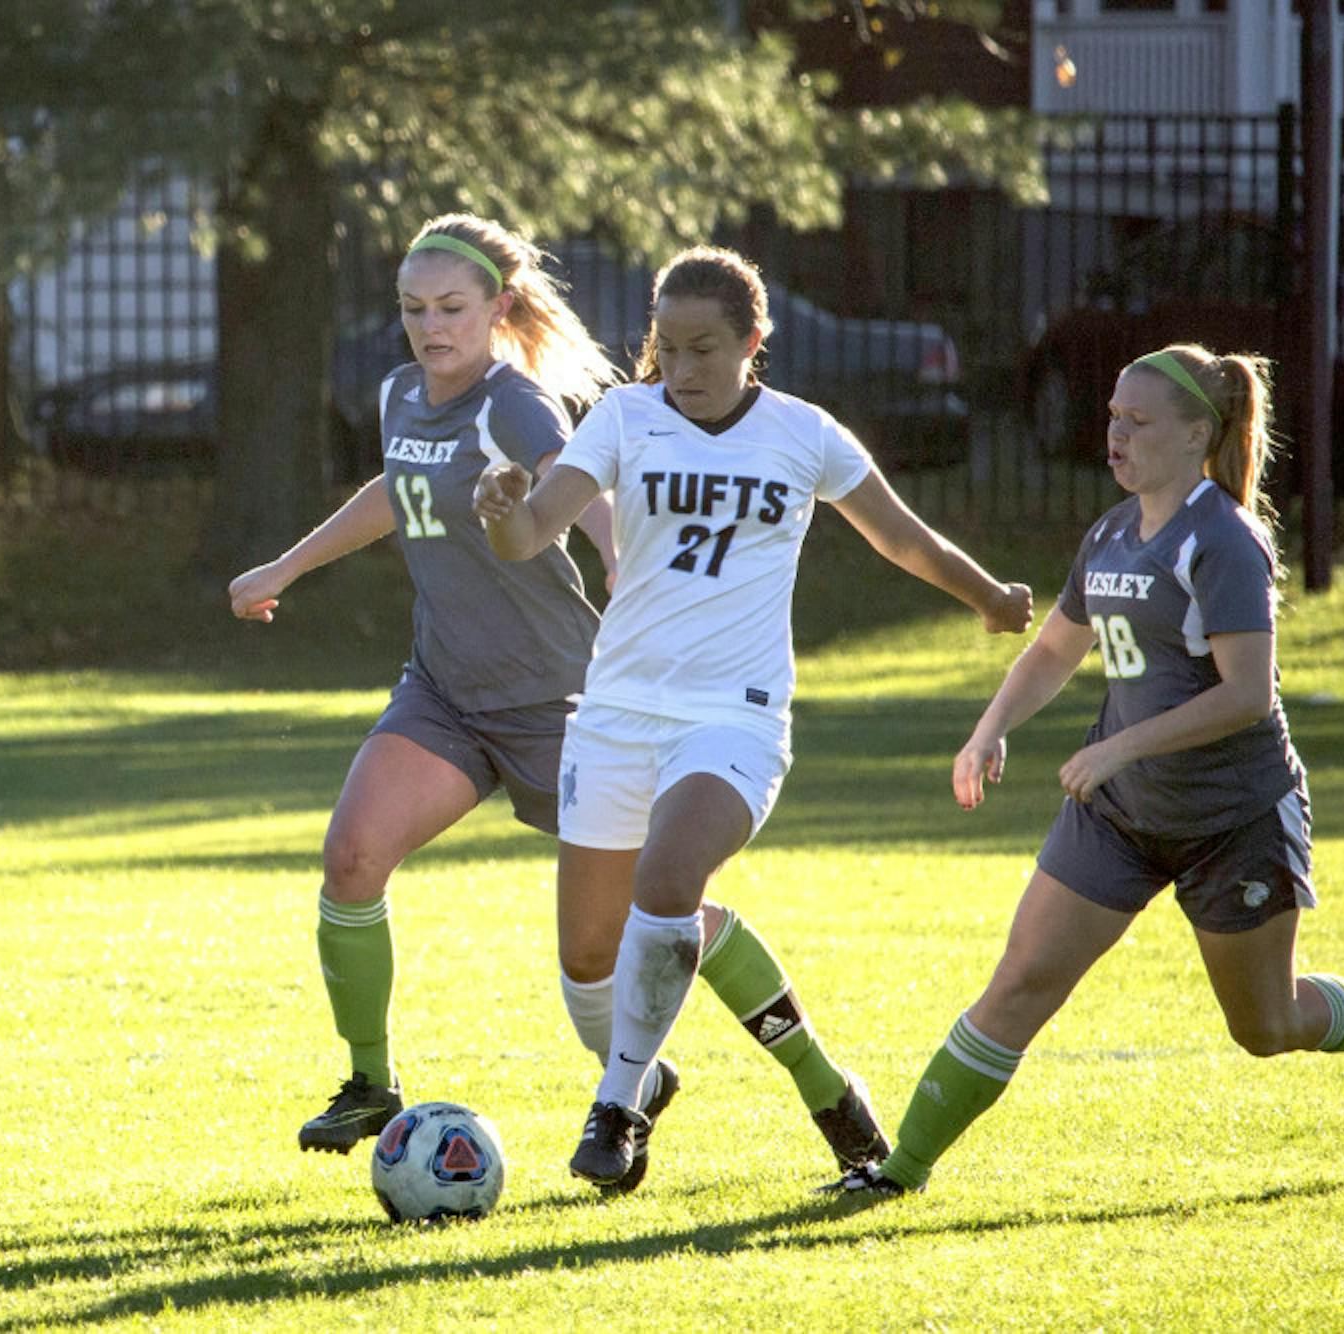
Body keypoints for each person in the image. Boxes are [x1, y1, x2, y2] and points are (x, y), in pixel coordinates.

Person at [230, 217, 898, 1193]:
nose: (429, 326)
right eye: (412, 309)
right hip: (444, 694)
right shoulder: (399, 394)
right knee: (351, 855)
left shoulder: (515, 404)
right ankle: (370, 1082)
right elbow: (397, 485)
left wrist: (621, 554)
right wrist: (287, 563)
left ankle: (823, 1083)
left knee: (669, 918)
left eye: (450, 307)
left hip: (563, 703)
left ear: (498, 308)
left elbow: (578, 485)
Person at [823, 343, 1344, 1202]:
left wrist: (1119, 744)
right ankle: (898, 1172)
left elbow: (1247, 697)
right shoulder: (1113, 531)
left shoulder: (1223, 541)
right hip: (1120, 816)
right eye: (1112, 417)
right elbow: (1054, 648)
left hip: (1232, 819)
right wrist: (989, 730)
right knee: (1021, 980)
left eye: (1138, 421)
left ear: (1200, 432)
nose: (1114, 435)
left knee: (1265, 1028)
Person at [474, 244, 1034, 1188]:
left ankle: (615, 1109)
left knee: (668, 879)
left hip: (733, 717)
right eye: (667, 348)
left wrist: (987, 597)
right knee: (590, 969)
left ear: (753, 342)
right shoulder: (623, 419)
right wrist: (501, 512)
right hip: (615, 714)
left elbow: (902, 537)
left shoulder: (803, 435)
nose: (683, 370)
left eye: (704, 350)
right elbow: (532, 531)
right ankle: (823, 1086)